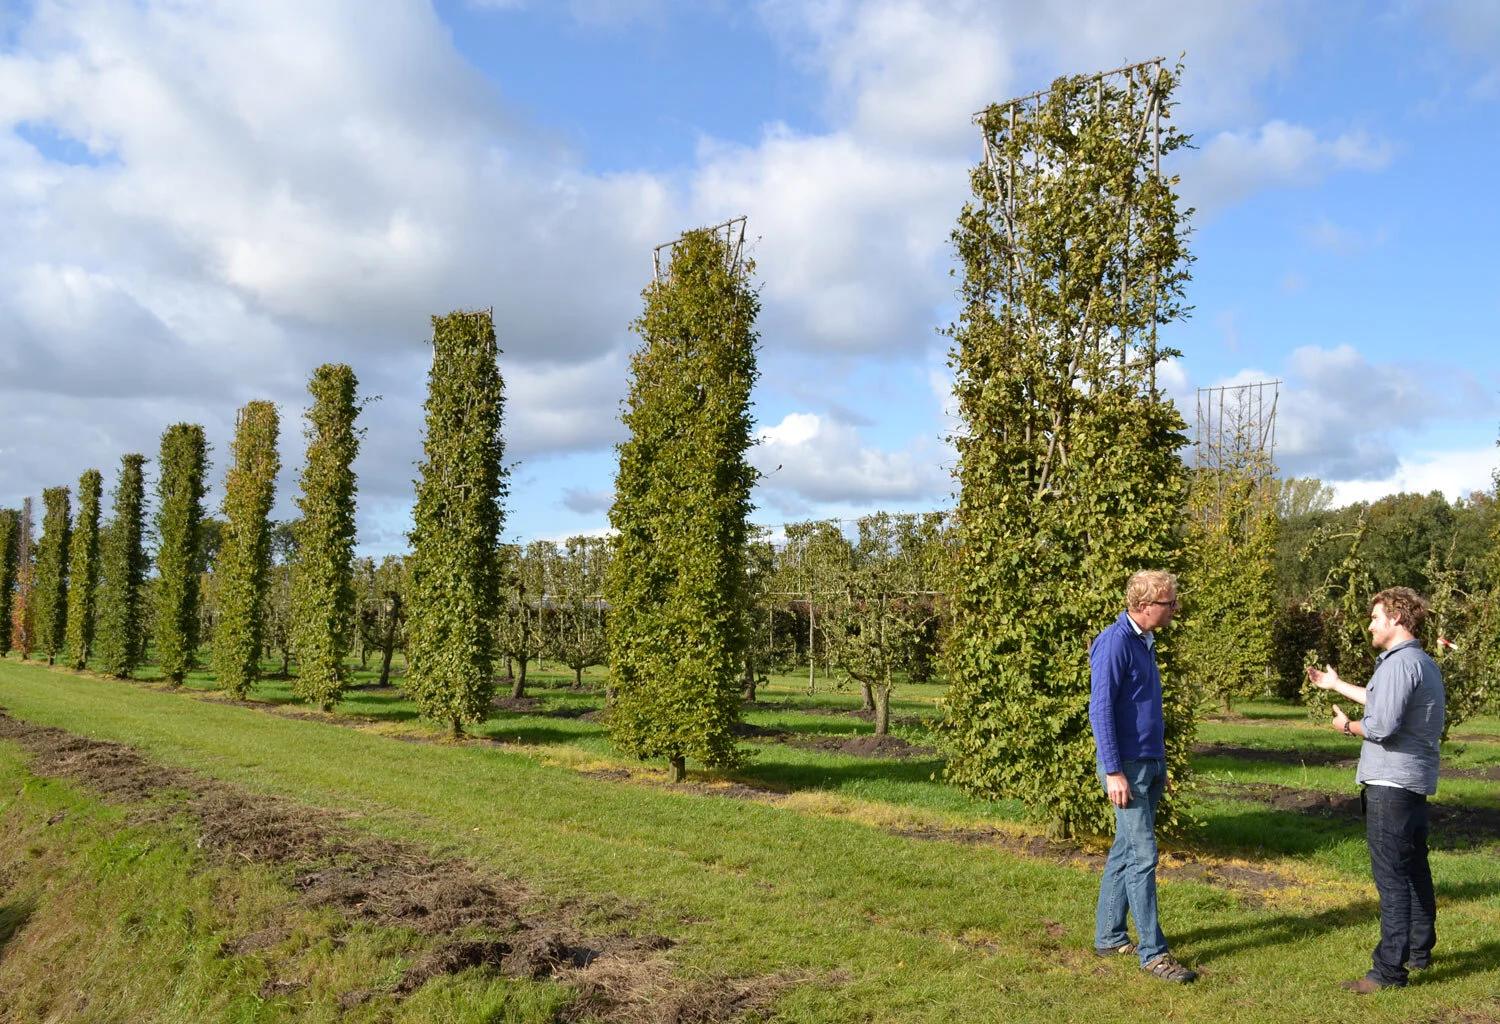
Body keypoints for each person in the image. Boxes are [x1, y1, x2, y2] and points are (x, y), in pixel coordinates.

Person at [1308, 586, 1445, 993]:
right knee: (1414, 869)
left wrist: (1347, 727)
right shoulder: (1420, 663)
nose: (1370, 624)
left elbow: (1381, 724)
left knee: (1392, 879)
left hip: (1390, 784)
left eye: (1375, 617)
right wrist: (1336, 685)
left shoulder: (1398, 666)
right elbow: (1382, 701)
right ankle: (1420, 952)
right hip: (1412, 783)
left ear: (1397, 619)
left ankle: (1388, 971)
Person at [1088, 569, 1197, 984]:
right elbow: (1100, 710)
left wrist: (1160, 764)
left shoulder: (1145, 641)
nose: (1174, 609)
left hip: (1147, 764)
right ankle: (1154, 955)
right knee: (1143, 856)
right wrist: (1113, 770)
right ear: (1144, 605)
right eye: (1169, 603)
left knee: (1125, 850)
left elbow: (1144, 711)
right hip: (1125, 768)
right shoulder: (1114, 642)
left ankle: (1110, 936)